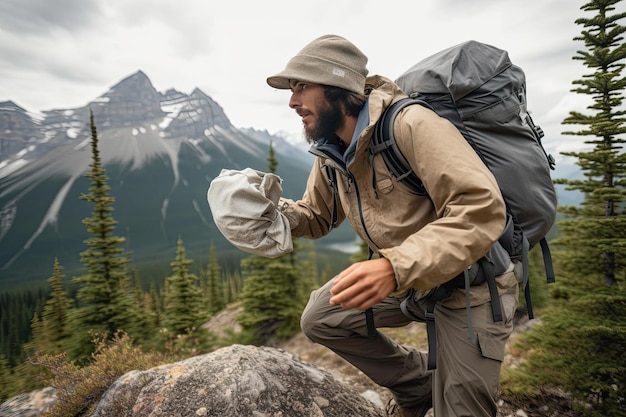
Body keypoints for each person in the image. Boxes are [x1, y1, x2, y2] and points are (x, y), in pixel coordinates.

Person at [265, 35, 520, 417]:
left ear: (337, 86)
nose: (292, 100)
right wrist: (271, 214)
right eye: (291, 89)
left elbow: (480, 208)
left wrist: (393, 266)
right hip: (411, 282)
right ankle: (419, 386)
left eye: (301, 86)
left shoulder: (411, 124)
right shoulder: (332, 149)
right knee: (322, 317)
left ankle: (447, 385)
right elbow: (317, 214)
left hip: (472, 287)